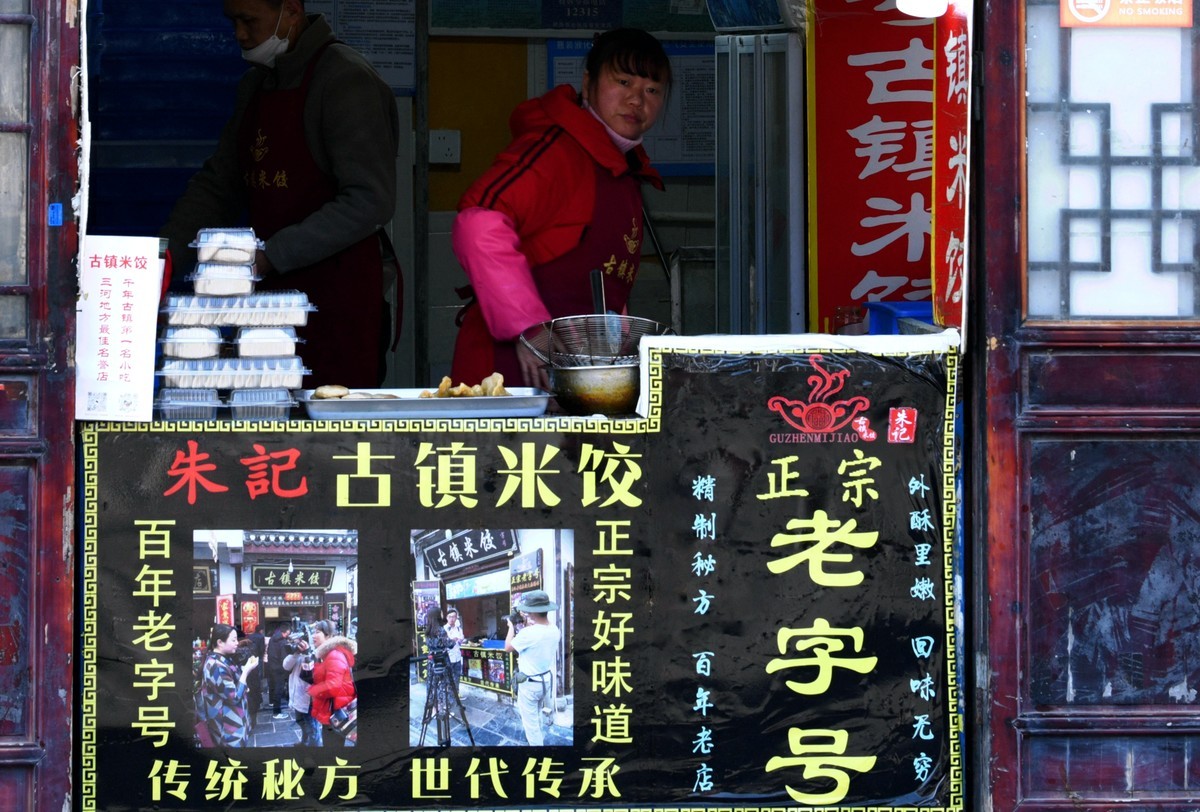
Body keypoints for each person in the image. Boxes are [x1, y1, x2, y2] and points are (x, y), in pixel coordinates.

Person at [160, 0, 401, 388]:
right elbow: (218, 185)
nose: (239, 33)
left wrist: (271, 255)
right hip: (269, 306)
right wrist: (164, 260)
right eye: (233, 21)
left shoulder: (346, 80)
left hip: (338, 299)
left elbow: (370, 200)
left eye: (248, 20)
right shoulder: (256, 85)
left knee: (328, 431)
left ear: (291, 11)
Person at [450, 28, 671, 388]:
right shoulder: (556, 150)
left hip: (575, 379)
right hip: (508, 377)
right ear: (588, 83)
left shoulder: (623, 169)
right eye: (623, 81)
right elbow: (477, 223)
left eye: (652, 90)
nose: (636, 100)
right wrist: (529, 329)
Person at [504, 590, 561, 746]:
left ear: (531, 612)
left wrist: (510, 626)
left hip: (530, 685)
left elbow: (508, 647)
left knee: (531, 725)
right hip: (545, 681)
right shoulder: (554, 629)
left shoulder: (528, 633)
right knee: (536, 715)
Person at [196, 623, 260, 747]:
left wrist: (243, 684)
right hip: (228, 729)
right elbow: (234, 696)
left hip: (234, 723)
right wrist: (246, 671)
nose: (237, 642)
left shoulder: (221, 659)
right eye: (233, 640)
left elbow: (231, 684)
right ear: (220, 642)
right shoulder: (216, 666)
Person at [307, 620, 357, 746]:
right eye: (313, 632)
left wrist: (313, 690)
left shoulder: (334, 654)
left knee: (333, 747)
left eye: (317, 632)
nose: (313, 636)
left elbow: (333, 686)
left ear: (328, 635)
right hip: (331, 711)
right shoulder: (326, 654)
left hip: (336, 714)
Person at [282, 634, 322, 746]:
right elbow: (286, 666)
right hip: (297, 696)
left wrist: (307, 653)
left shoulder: (316, 652)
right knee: (300, 721)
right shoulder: (297, 654)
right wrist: (296, 653)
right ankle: (305, 742)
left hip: (308, 699)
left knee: (312, 728)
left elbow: (312, 674)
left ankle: (315, 751)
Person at [266, 622, 291, 719]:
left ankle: (272, 703)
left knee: (272, 686)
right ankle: (276, 712)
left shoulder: (273, 638)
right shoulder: (283, 642)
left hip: (271, 666)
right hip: (279, 668)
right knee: (279, 689)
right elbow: (284, 659)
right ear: (287, 631)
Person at [444, 608, 465, 690]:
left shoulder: (459, 629)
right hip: (448, 657)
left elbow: (461, 641)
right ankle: (449, 697)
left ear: (456, 618)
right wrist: (452, 640)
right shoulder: (444, 629)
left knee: (457, 677)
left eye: (454, 617)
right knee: (448, 678)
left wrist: (461, 640)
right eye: (450, 617)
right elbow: (442, 643)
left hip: (457, 657)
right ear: (446, 617)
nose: (452, 619)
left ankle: (457, 695)